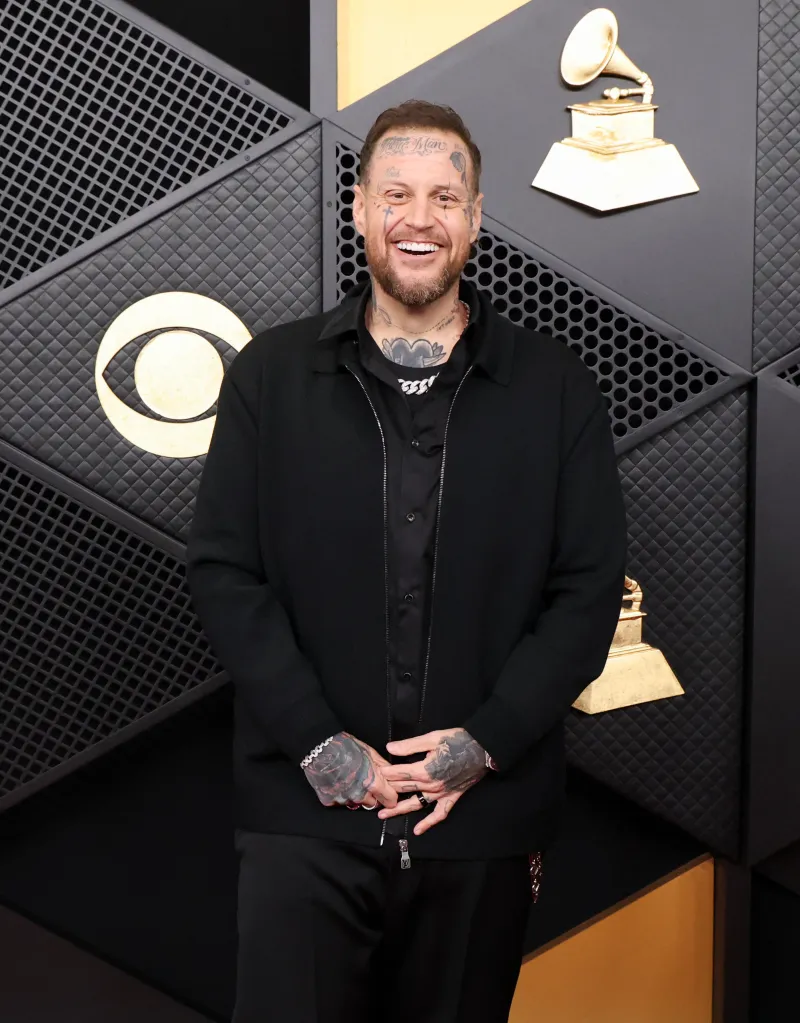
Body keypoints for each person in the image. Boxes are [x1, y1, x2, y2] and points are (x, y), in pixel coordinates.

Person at [186, 99, 627, 1023]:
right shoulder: (268, 377)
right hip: (303, 820)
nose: (418, 218)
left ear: (473, 217)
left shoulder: (557, 390)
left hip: (482, 828)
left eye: (443, 197)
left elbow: (586, 592)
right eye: (396, 193)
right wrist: (315, 740)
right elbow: (226, 570)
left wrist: (488, 743)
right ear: (359, 208)